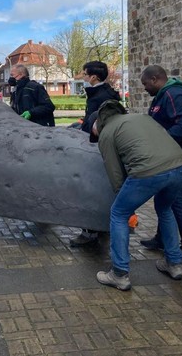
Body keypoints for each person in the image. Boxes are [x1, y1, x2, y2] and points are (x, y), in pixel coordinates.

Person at [91, 100, 182, 291]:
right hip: (180, 166)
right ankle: (174, 264)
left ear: (97, 124)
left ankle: (119, 273)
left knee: (119, 213)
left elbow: (115, 174)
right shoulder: (140, 117)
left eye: (93, 133)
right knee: (165, 208)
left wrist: (128, 206)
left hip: (149, 171)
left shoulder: (107, 133)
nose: (95, 136)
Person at [139, 65, 182, 259]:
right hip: (173, 154)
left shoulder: (175, 95)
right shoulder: (160, 97)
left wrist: (162, 139)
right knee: (165, 196)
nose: (144, 88)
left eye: (145, 83)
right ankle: (163, 239)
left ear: (155, 79)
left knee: (178, 199)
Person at [70, 61, 122, 247]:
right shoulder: (106, 93)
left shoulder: (99, 96)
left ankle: (89, 231)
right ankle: (100, 226)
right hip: (102, 148)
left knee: (89, 189)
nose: (83, 77)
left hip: (96, 148)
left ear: (93, 77)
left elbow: (100, 124)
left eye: (85, 74)